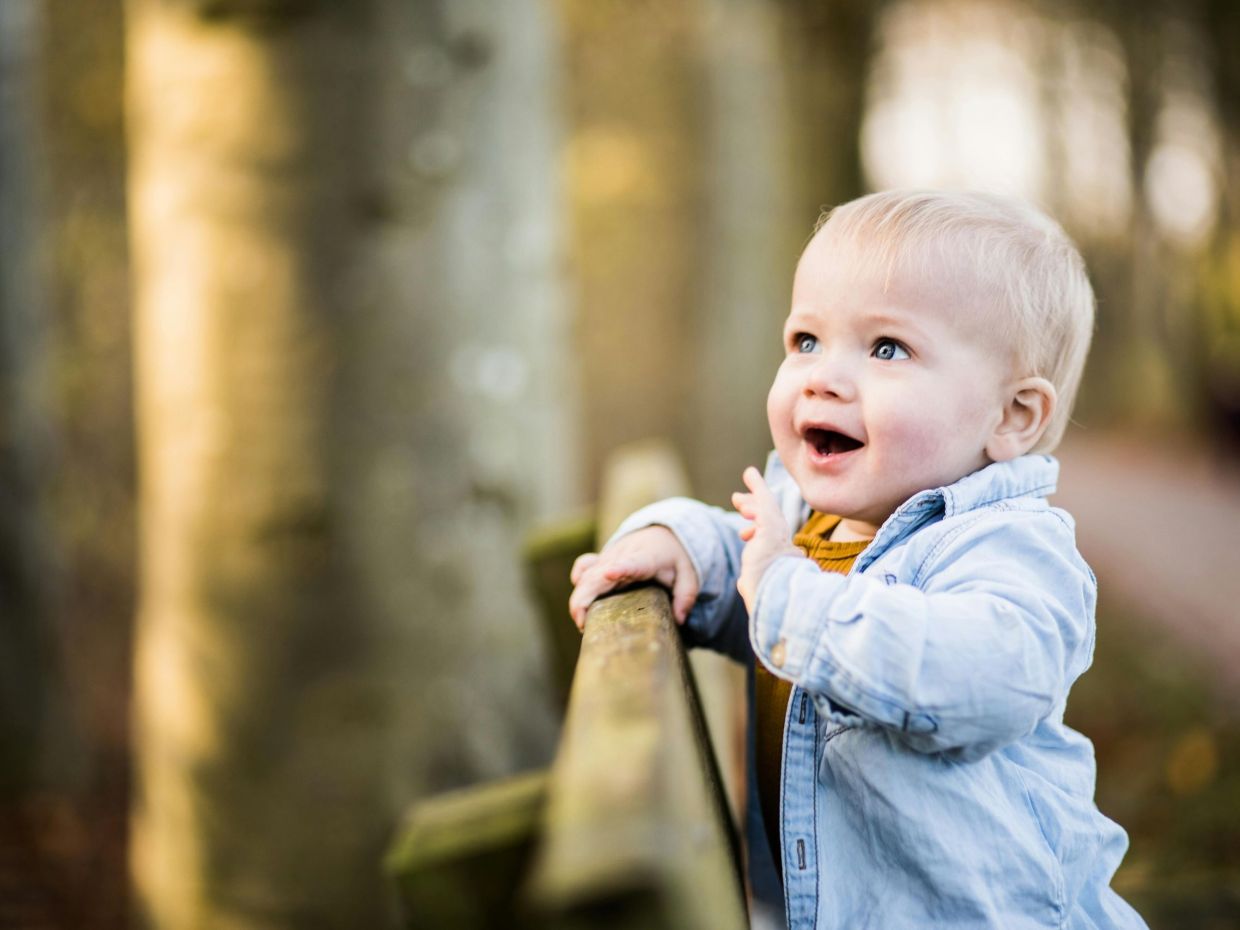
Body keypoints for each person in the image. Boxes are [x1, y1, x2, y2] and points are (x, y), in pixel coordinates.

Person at [568, 190, 1147, 929]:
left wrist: (783, 591)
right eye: (805, 340)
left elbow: (974, 677)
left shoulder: (1011, 549)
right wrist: (677, 540)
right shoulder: (817, 521)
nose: (822, 376)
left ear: (1012, 416)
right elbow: (746, 556)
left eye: (886, 349)